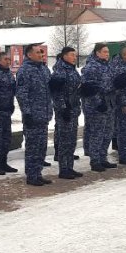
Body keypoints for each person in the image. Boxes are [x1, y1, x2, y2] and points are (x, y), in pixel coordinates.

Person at [16, 43, 53, 186]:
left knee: (42, 146)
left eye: (42, 53)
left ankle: (38, 172)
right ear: (29, 54)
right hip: (32, 115)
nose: (41, 55)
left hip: (44, 114)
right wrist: (27, 113)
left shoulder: (44, 69)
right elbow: (21, 94)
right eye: (38, 52)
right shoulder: (25, 70)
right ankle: (31, 175)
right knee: (32, 146)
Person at [81, 43, 117, 172]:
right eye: (105, 52)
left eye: (108, 52)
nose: (107, 54)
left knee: (107, 132)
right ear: (97, 53)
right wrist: (98, 102)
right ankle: (95, 160)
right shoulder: (91, 67)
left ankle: (103, 157)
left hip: (109, 103)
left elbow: (111, 84)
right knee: (97, 133)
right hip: (96, 106)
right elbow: (89, 89)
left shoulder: (108, 66)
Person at [50, 47, 82, 179]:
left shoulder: (72, 70)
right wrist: (63, 108)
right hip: (65, 110)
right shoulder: (60, 71)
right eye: (71, 55)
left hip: (73, 108)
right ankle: (63, 169)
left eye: (75, 55)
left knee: (72, 140)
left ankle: (70, 167)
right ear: (64, 56)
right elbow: (57, 93)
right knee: (64, 140)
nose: (75, 57)